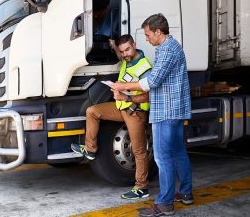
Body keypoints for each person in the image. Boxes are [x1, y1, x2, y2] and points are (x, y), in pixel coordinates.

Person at [111, 14, 194, 216]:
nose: (146, 39)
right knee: (177, 152)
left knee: (163, 157)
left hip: (166, 111)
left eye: (148, 34)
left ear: (158, 31)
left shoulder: (167, 50)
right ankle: (185, 193)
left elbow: (151, 82)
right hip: (172, 110)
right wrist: (128, 95)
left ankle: (165, 203)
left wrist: (122, 86)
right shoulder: (169, 48)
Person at [71, 34, 153, 199]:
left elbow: (148, 96)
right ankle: (91, 150)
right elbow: (119, 54)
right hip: (121, 107)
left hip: (135, 112)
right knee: (92, 111)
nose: (124, 54)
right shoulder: (126, 59)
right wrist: (114, 46)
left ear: (135, 45)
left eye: (127, 50)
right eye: (122, 51)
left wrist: (126, 97)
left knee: (138, 150)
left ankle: (142, 187)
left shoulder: (145, 67)